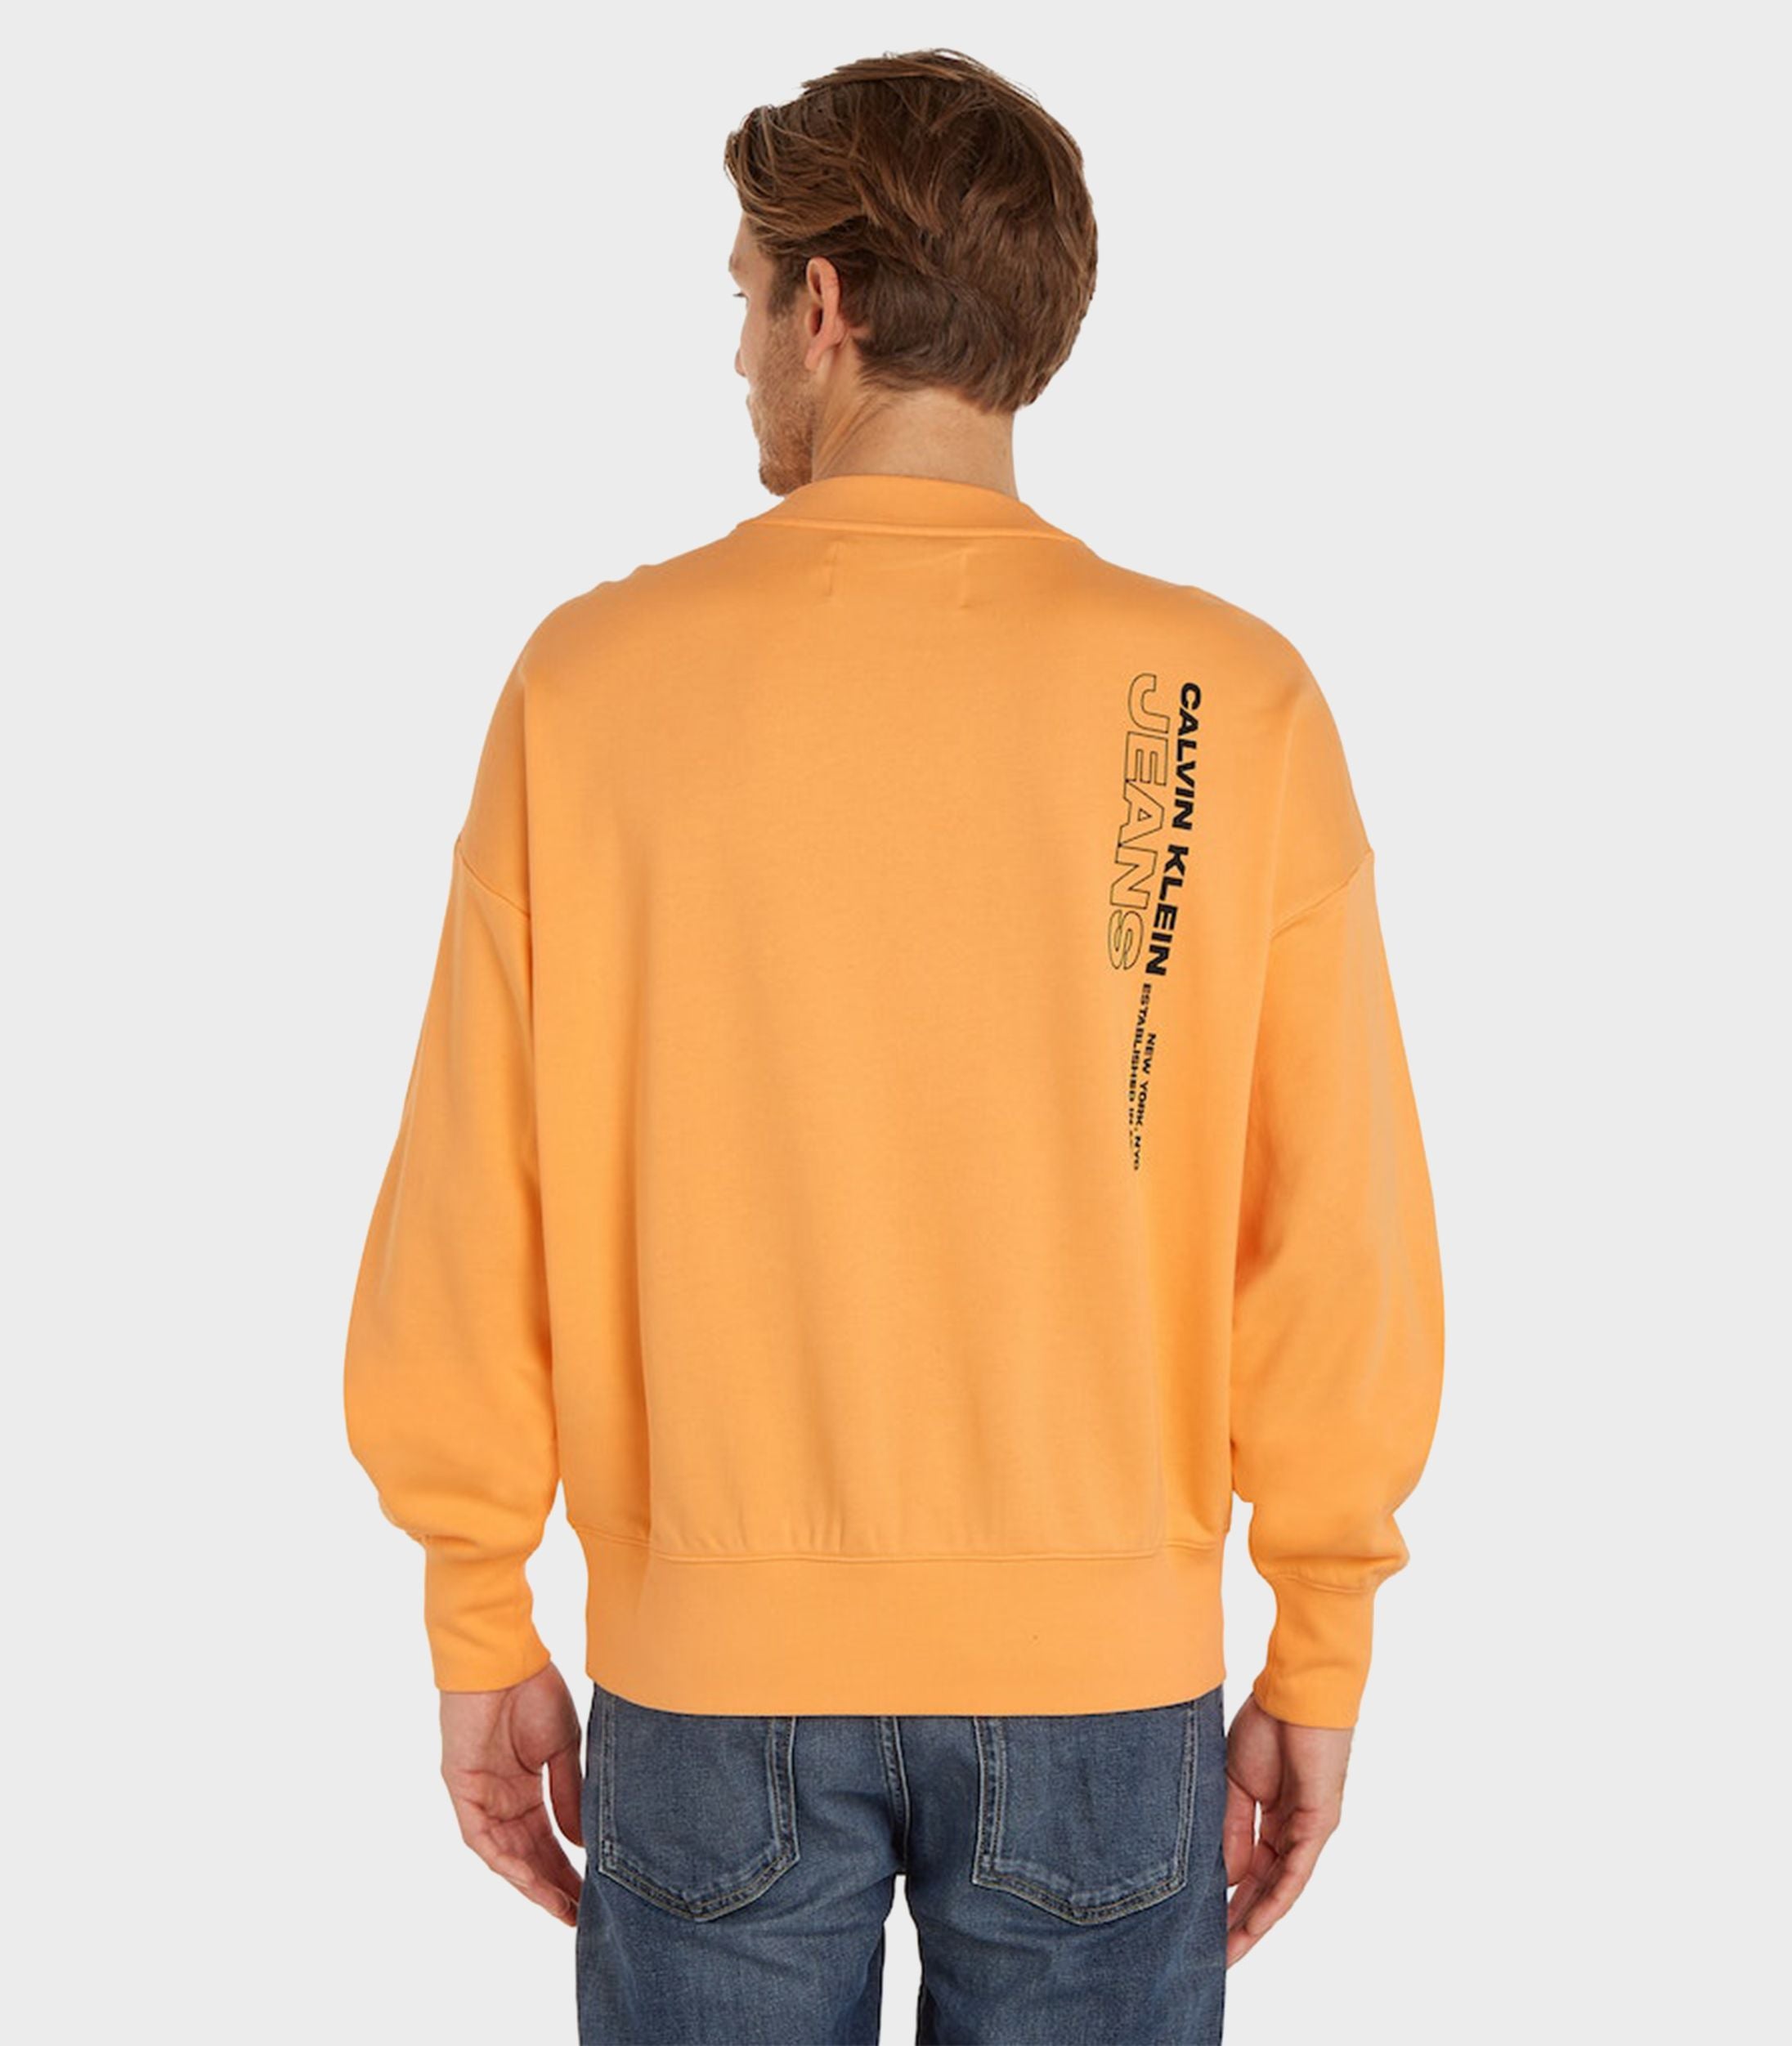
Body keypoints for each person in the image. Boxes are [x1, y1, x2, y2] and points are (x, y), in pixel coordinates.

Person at [343, 47, 1445, 2046]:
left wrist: (477, 1605)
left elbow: (469, 1197)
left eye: (746, 295)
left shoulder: (590, 687)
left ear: (826, 305)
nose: (737, 351)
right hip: (1103, 1681)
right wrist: (1321, 1637)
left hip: (708, 1678)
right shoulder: (1229, 700)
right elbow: (1336, 1232)